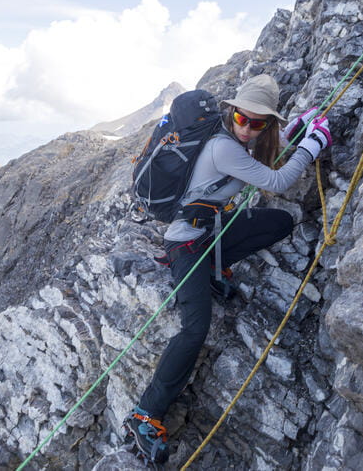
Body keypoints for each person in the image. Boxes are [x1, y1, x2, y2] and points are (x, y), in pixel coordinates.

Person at [123, 74, 332, 465]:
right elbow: (279, 179)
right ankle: (145, 413)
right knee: (194, 329)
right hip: (185, 244)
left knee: (278, 224)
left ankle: (215, 271)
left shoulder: (229, 138)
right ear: (231, 111)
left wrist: (294, 133)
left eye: (257, 123)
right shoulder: (223, 147)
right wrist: (312, 145)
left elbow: (260, 159)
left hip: (208, 235)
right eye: (242, 118)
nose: (247, 128)